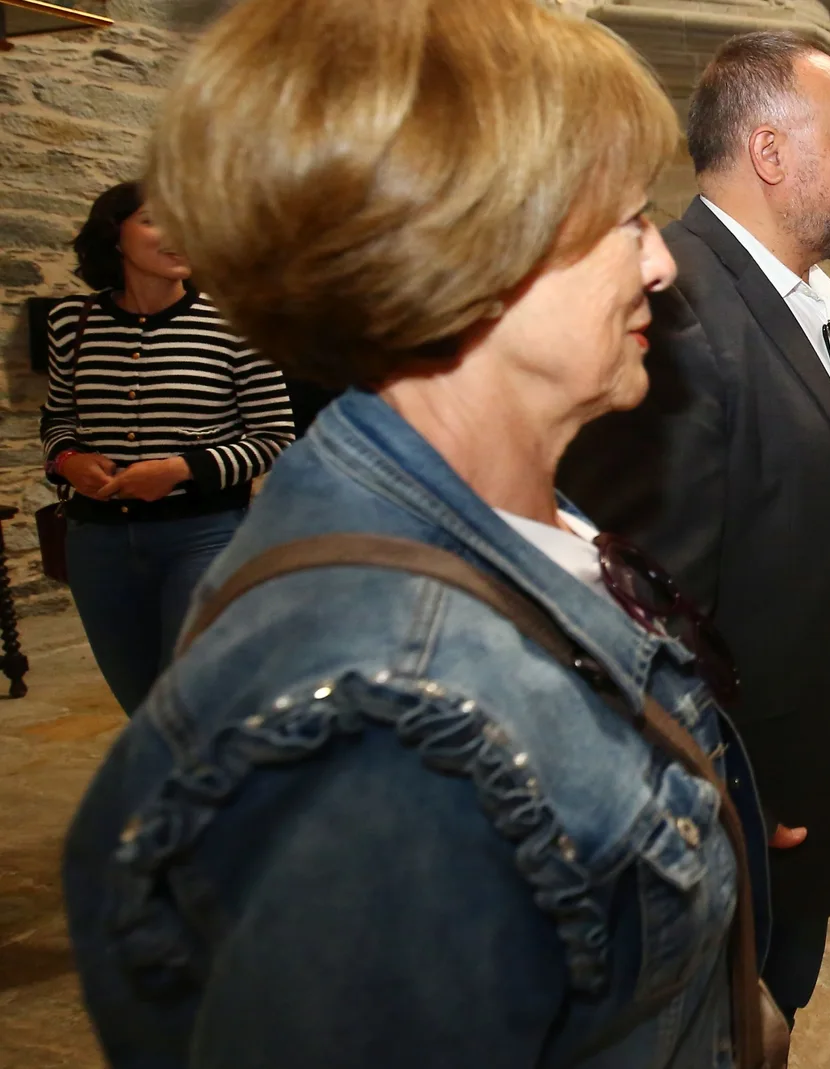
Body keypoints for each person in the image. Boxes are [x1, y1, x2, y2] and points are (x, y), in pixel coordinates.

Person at [61, 2, 785, 1066]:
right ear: (474, 249)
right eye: (628, 221)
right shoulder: (398, 734)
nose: (661, 265)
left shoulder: (502, 506)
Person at [559, 31, 830, 1030]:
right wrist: (715, 796)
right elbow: (639, 605)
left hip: (807, 791)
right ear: (770, 154)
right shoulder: (677, 311)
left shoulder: (797, 298)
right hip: (746, 819)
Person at [39, 181, 294, 715]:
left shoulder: (239, 325)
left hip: (203, 539)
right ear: (114, 235)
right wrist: (69, 461)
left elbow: (274, 438)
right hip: (97, 544)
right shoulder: (72, 323)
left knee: (192, 703)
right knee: (140, 707)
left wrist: (180, 469)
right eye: (156, 219)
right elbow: (57, 420)